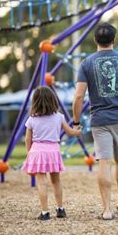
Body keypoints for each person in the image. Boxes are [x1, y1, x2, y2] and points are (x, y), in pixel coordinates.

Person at [72, 22, 118, 220]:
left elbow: (79, 96)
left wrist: (76, 122)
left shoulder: (86, 63)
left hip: (99, 119)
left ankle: (107, 210)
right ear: (114, 40)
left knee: (104, 162)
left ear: (95, 40)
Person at [22, 86, 82, 220]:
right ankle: (60, 209)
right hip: (53, 151)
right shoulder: (59, 117)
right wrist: (78, 131)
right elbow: (71, 132)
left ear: (35, 102)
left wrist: (29, 153)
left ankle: (44, 212)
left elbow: (28, 138)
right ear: (53, 100)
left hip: (37, 151)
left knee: (41, 182)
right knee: (56, 181)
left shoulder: (32, 119)